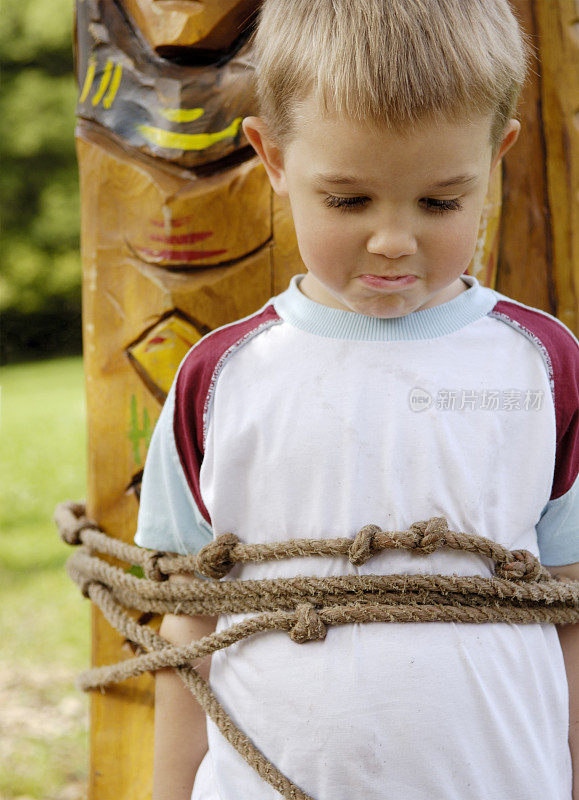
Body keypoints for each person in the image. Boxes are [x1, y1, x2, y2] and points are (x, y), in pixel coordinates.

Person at [135, 1, 579, 798]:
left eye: (440, 202)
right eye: (348, 200)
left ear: (497, 154)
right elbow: (185, 630)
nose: (393, 240)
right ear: (271, 157)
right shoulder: (220, 379)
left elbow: (572, 610)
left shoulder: (541, 368)